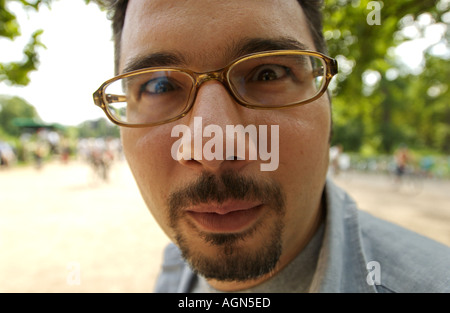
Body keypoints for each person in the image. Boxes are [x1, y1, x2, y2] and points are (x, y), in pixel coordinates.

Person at [93, 0, 450, 293]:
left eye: (268, 74)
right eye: (159, 87)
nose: (212, 149)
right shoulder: (175, 269)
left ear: (325, 99)